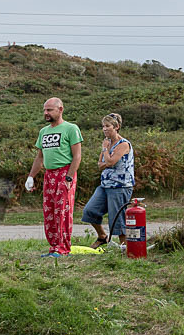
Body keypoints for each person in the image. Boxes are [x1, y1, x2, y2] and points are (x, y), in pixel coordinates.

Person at [25, 97, 83, 257]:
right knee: (49, 210)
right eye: (44, 110)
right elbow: (39, 157)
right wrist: (31, 177)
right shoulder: (43, 132)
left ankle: (63, 248)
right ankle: (53, 247)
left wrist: (69, 178)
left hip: (64, 173)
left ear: (60, 109)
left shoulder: (71, 129)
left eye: (49, 110)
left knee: (62, 211)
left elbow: (77, 156)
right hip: (49, 175)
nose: (46, 113)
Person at [81, 113, 134, 248]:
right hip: (105, 185)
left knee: (117, 217)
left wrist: (105, 151)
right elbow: (100, 164)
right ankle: (102, 237)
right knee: (90, 210)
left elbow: (109, 162)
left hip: (120, 186)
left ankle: (125, 247)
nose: (104, 129)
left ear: (116, 127)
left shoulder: (123, 144)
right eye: (103, 126)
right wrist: (107, 157)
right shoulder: (108, 143)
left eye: (107, 126)